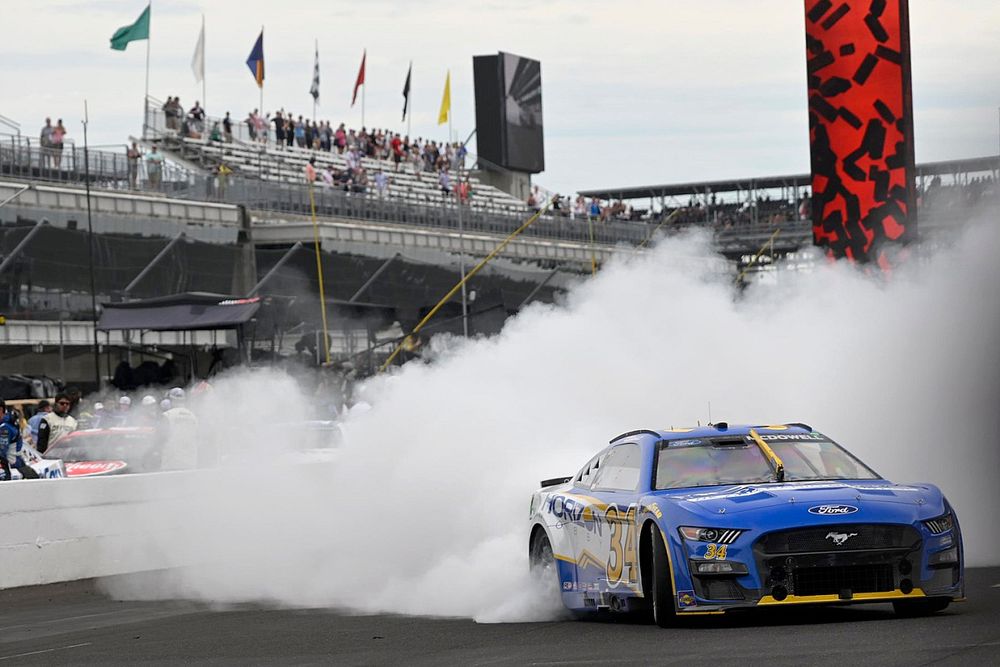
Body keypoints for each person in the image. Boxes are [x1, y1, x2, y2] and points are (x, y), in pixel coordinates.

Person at [0, 401, 38, 480]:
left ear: (1, 410)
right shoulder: (8, 423)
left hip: (10, 468)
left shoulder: (4, 427)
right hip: (16, 464)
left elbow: (2, 451)